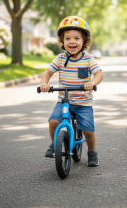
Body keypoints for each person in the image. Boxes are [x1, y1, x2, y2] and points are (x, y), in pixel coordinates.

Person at [40, 16, 103, 166]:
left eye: (76, 38)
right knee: (53, 122)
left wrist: (92, 82)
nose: (72, 42)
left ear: (84, 41)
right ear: (63, 42)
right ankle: (55, 144)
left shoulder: (88, 59)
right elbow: (47, 72)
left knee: (88, 130)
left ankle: (92, 152)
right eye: (67, 38)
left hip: (83, 103)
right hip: (64, 101)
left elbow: (99, 74)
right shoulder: (61, 59)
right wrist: (44, 83)